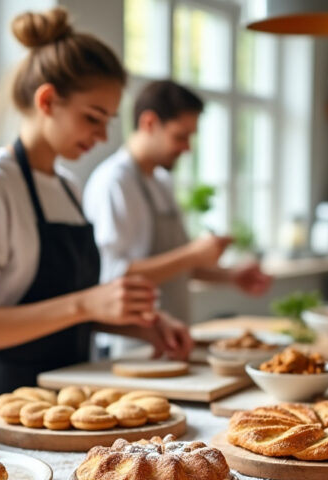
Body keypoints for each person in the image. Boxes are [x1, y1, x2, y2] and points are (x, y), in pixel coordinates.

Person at [0, 8, 191, 411]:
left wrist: (141, 325)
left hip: (71, 396)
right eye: (93, 117)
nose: (103, 136)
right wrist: (88, 303)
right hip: (2, 404)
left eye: (108, 121)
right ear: (48, 100)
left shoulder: (69, 186)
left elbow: (65, 309)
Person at [83, 80, 272, 332]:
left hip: (173, 334)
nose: (187, 148)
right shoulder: (115, 182)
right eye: (180, 136)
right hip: (131, 342)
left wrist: (231, 275)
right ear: (148, 123)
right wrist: (192, 254)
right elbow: (113, 277)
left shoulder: (161, 181)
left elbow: (179, 267)